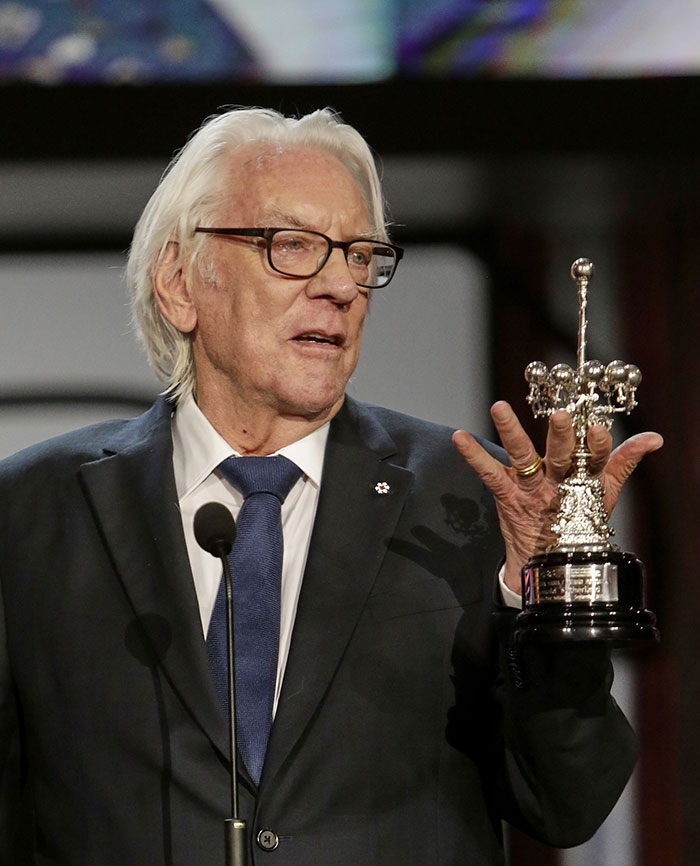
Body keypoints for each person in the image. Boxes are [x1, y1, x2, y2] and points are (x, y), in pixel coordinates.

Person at [0, 106, 662, 866]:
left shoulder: (471, 502)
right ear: (180, 282)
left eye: (360, 255)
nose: (342, 286)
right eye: (292, 246)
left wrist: (543, 598)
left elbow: (567, 801)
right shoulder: (29, 513)